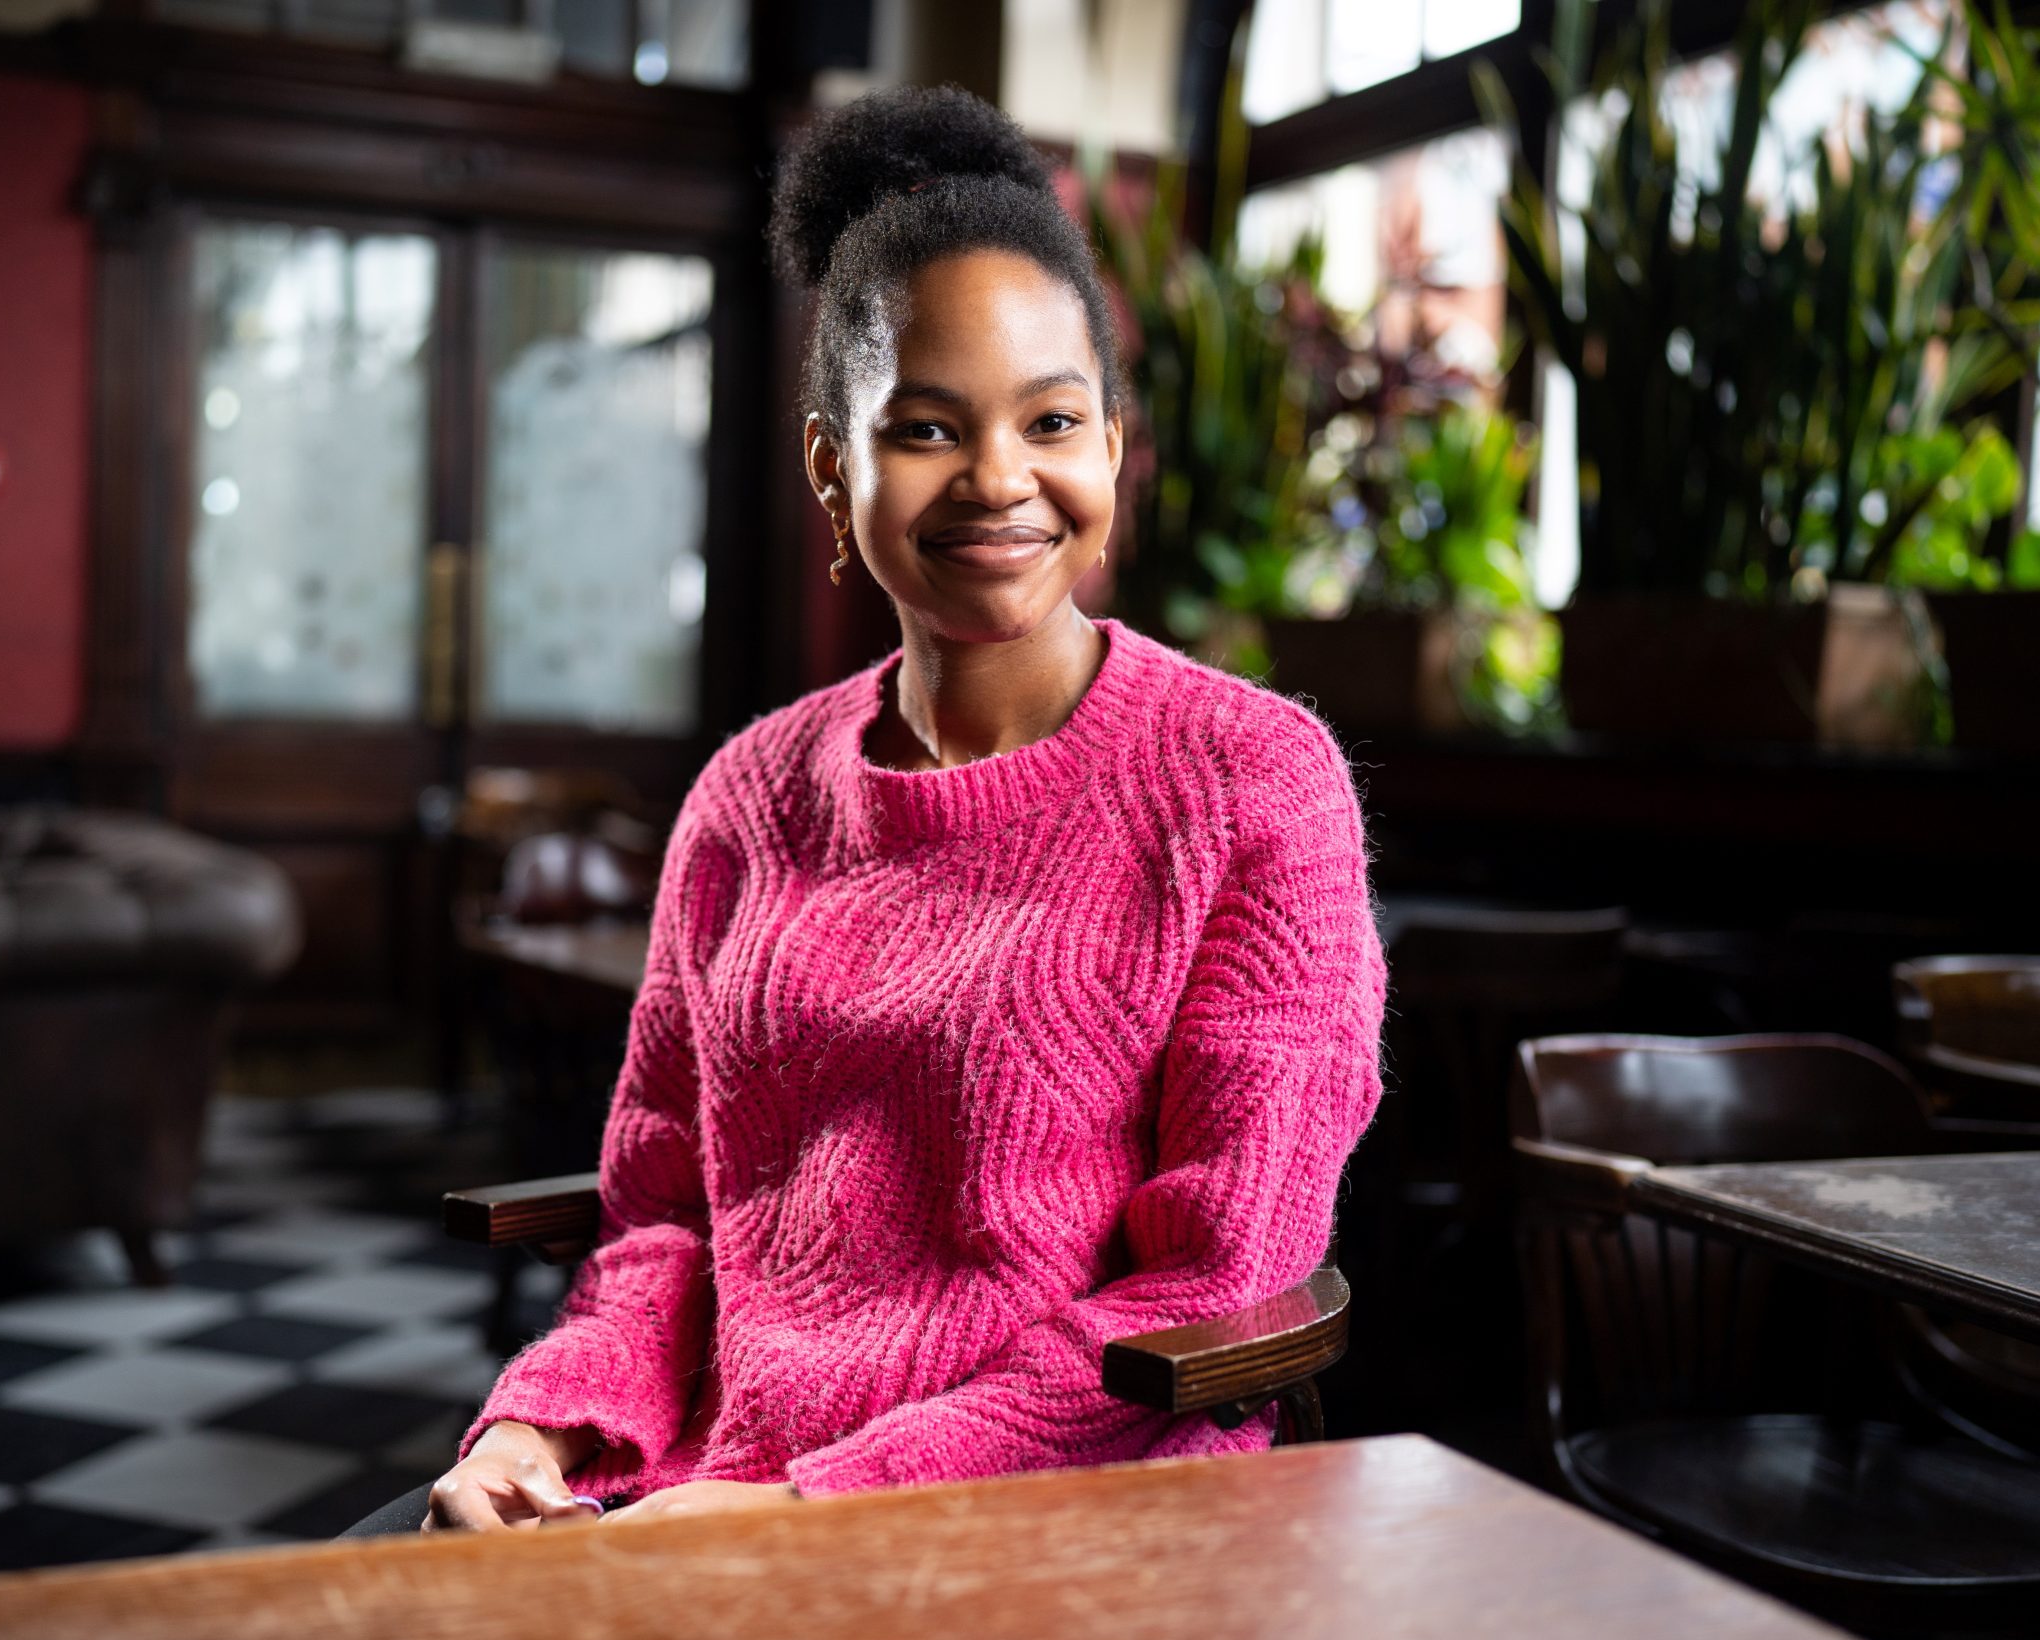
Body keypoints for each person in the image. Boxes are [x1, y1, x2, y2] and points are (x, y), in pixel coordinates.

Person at [344, 84, 1386, 1538]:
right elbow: (663, 1224)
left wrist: (806, 1511)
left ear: (1113, 448)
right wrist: (543, 1423)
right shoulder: (748, 799)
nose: (1003, 480)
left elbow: (1213, 1280)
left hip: (1066, 1513)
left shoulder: (1253, 780)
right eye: (928, 429)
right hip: (708, 1489)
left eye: (1054, 419)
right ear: (835, 470)